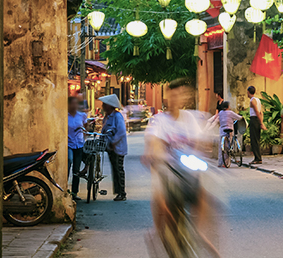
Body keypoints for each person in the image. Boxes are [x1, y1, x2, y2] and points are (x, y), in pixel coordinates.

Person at [143, 79, 218, 256]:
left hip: (186, 168)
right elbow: (153, 142)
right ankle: (157, 232)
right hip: (166, 168)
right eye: (173, 95)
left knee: (205, 195)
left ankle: (200, 232)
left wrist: (203, 147)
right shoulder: (158, 120)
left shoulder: (190, 118)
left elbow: (200, 141)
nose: (177, 99)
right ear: (167, 96)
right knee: (161, 198)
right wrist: (153, 153)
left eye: (181, 95)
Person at [99, 94, 128, 201]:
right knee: (115, 169)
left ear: (109, 106)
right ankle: (118, 192)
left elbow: (121, 132)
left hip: (117, 147)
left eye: (104, 104)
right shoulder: (107, 116)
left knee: (119, 169)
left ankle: (122, 193)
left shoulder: (117, 116)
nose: (102, 106)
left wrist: (114, 142)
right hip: (110, 146)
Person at [67, 95, 88, 200]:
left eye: (76, 104)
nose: (74, 106)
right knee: (69, 161)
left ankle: (74, 192)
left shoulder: (82, 115)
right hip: (69, 143)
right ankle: (64, 189)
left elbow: (86, 126)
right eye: (73, 103)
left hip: (79, 144)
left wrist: (84, 136)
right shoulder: (65, 116)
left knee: (76, 170)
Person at [215, 101, 243, 167]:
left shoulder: (220, 113)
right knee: (227, 147)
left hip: (222, 130)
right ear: (228, 107)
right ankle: (226, 162)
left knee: (221, 147)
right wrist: (241, 116)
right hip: (229, 130)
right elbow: (239, 118)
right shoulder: (230, 113)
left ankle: (220, 163)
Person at [247, 86, 266, 165]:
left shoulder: (252, 101)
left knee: (254, 140)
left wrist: (261, 123)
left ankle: (257, 158)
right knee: (256, 139)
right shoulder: (258, 100)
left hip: (254, 119)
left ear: (248, 92)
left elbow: (257, 112)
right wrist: (261, 121)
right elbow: (261, 112)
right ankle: (257, 157)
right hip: (257, 120)